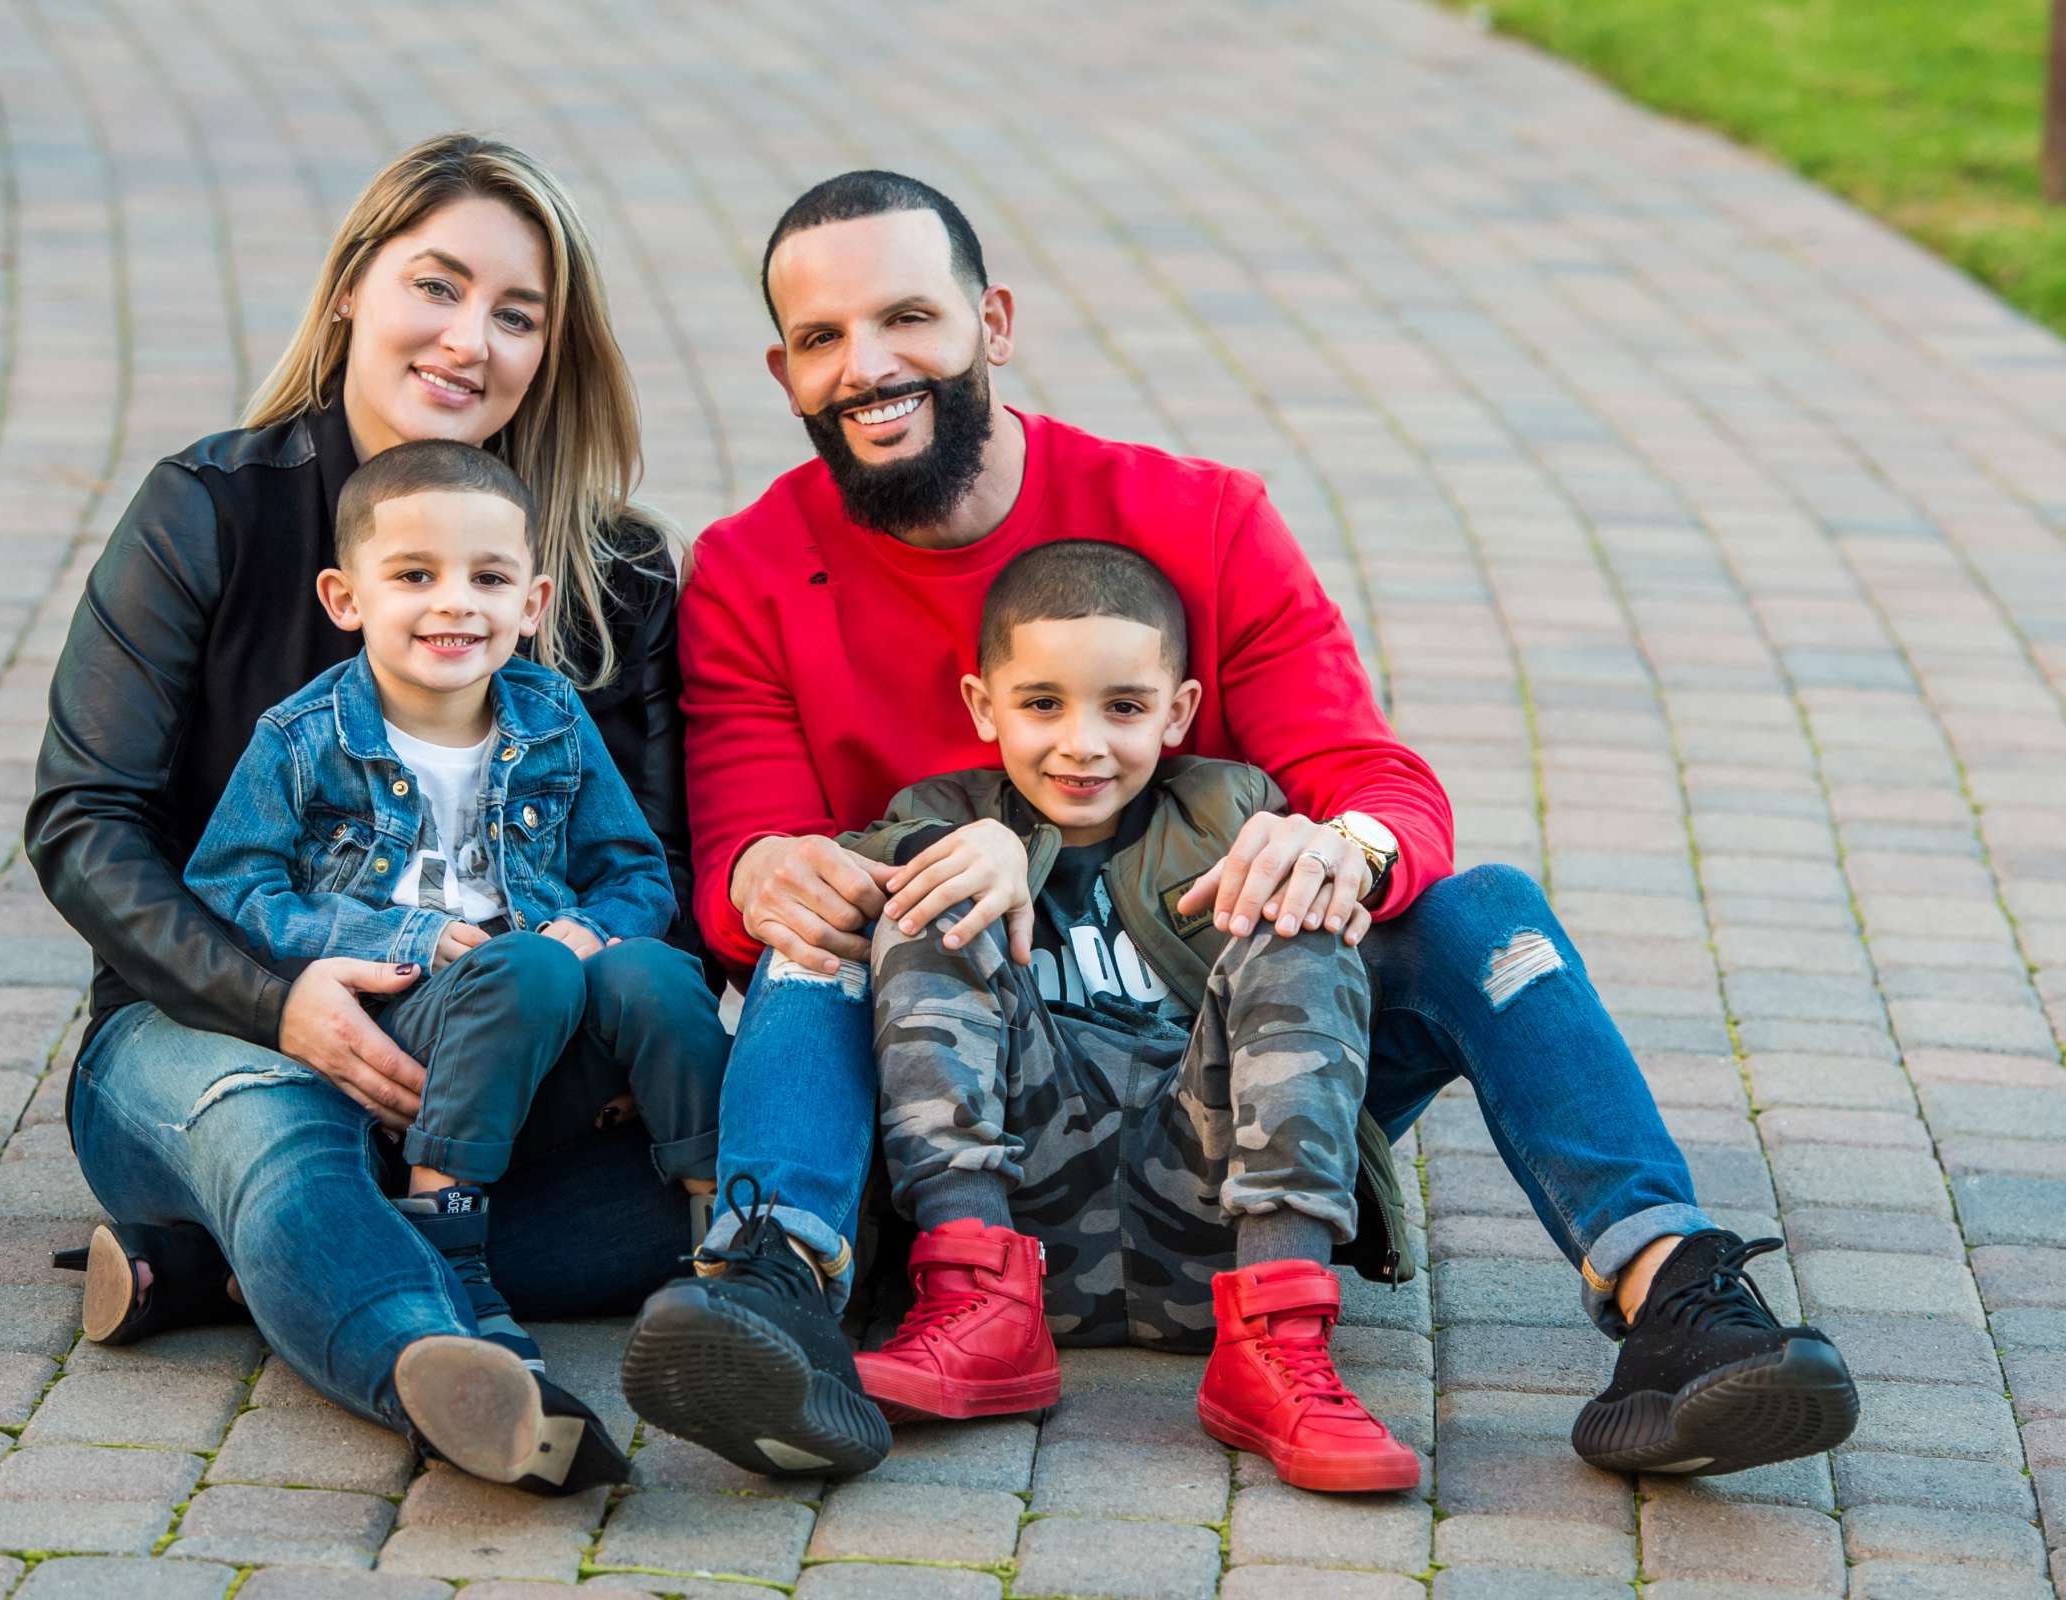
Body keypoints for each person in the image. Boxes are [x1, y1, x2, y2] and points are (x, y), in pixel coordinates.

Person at [624, 169, 1859, 1485]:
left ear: (991, 320)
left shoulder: (1199, 520)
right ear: (783, 369)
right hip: (960, 1108)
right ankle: (780, 1291)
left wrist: (1348, 849)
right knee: (816, 919)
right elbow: (742, 866)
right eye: (823, 339)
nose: (867, 366)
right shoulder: (754, 569)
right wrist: (767, 872)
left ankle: (1672, 1299)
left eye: (906, 319)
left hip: (1234, 1088)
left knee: (1481, 908)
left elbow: (1382, 784)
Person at [26, 133, 702, 1495]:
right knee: (284, 1136)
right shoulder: (209, 511)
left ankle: (217, 1266)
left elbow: (657, 863)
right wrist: (279, 1000)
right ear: (351, 290)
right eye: (437, 287)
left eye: (519, 314)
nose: (471, 340)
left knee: (678, 1198)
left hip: (504, 1068)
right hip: (204, 1028)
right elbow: (84, 822)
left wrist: (591, 973)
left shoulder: (607, 571)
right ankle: (443, 1372)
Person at [177, 439, 727, 1486]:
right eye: (415, 576)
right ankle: (453, 1245)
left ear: (533, 600)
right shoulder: (304, 738)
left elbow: (635, 872)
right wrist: (397, 937)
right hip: (407, 1023)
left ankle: (723, 1241)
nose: (454, 605)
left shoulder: (552, 718)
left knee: (652, 973)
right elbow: (232, 889)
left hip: (547, 1001)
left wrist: (595, 928)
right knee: (524, 972)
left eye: (488, 578)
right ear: (346, 597)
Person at [846, 539, 1418, 1494]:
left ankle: (1279, 1344)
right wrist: (964, 846)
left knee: (1301, 913)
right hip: (1026, 1209)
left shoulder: (1230, 809)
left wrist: (1309, 855)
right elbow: (871, 869)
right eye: (1041, 705)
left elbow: (1320, 891)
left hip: (1210, 1214)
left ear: (1178, 710)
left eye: (1124, 707)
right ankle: (973, 1306)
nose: (1083, 744)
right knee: (926, 895)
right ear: (983, 708)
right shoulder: (933, 809)